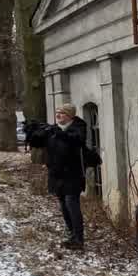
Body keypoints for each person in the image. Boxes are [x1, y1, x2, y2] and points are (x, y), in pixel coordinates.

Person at [25, 102, 89, 251]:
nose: (58, 115)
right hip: (56, 174)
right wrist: (32, 133)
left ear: (70, 116)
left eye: (62, 113)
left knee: (71, 203)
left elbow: (76, 140)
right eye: (57, 112)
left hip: (73, 174)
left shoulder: (78, 127)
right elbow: (39, 143)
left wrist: (57, 132)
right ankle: (71, 234)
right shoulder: (53, 129)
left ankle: (78, 238)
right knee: (63, 204)